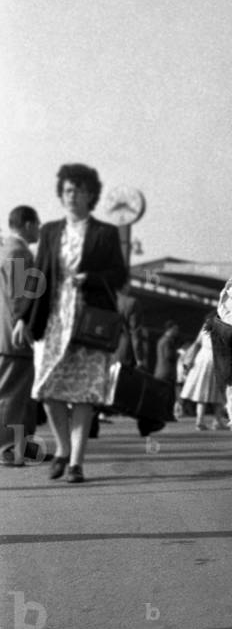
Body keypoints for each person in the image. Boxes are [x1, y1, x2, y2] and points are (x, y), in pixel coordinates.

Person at [13, 164, 127, 483]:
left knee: (84, 394)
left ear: (91, 195)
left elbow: (119, 276)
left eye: (78, 190)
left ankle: (76, 462)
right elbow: (36, 275)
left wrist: (90, 278)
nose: (71, 196)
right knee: (47, 389)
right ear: (60, 195)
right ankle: (62, 449)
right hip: (52, 321)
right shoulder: (49, 231)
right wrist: (23, 316)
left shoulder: (106, 233)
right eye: (66, 190)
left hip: (90, 322)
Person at [0, 206, 41, 466]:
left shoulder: (8, 249)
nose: (38, 229)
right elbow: (18, 294)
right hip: (16, 336)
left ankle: (22, 445)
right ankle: (6, 447)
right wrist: (22, 322)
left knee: (23, 395)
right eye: (36, 224)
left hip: (13, 334)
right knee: (11, 394)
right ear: (27, 224)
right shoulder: (17, 252)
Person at [181, 317, 225, 430]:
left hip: (201, 360)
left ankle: (199, 421)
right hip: (216, 360)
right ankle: (217, 421)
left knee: (201, 392)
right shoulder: (222, 329)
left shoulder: (204, 329)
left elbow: (196, 343)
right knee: (219, 393)